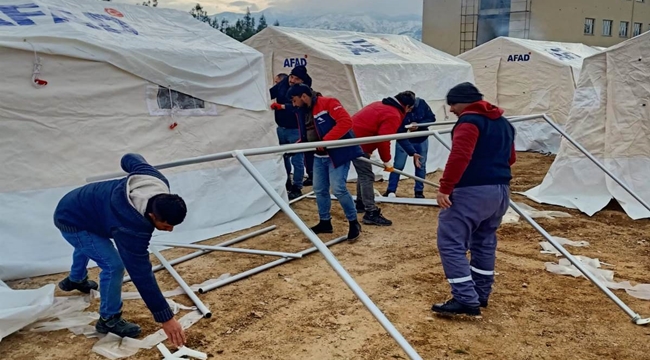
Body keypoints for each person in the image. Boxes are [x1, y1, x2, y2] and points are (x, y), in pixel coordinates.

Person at [53, 153, 188, 346]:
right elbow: (141, 274)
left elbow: (131, 158)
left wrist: (126, 161)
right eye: (166, 226)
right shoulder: (130, 226)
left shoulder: (153, 180)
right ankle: (109, 319)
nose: (170, 230)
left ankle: (75, 279)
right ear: (151, 215)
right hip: (71, 218)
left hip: (82, 206)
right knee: (113, 265)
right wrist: (166, 318)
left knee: (90, 245)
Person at [431, 82, 516, 316]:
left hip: (472, 191)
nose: (451, 110)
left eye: (453, 104)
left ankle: (466, 299)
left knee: (451, 242)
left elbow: (460, 155)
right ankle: (481, 293)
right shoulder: (504, 123)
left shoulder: (469, 122)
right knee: (484, 241)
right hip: (500, 191)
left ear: (464, 102)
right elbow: (511, 158)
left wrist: (445, 187)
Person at [287, 83, 363, 241]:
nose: (294, 104)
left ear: (303, 96)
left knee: (338, 188)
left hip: (338, 153)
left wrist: (326, 141)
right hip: (319, 156)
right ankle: (325, 222)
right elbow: (308, 134)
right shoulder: (302, 111)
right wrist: (295, 147)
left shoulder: (328, 103)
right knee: (319, 189)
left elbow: (346, 122)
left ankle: (354, 222)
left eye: (294, 100)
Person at [350, 91, 419, 226]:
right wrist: (387, 161)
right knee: (367, 176)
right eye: (410, 109)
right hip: (357, 143)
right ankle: (370, 212)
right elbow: (383, 140)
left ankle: (361, 203)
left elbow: (370, 127)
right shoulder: (392, 114)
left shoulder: (380, 105)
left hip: (354, 140)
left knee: (363, 174)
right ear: (406, 106)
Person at [270, 66, 314, 199]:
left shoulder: (304, 89)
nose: (292, 80)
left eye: (296, 78)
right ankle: (286, 180)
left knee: (297, 159)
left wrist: (282, 106)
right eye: (292, 77)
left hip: (296, 128)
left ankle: (297, 186)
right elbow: (269, 94)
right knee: (282, 156)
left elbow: (300, 106)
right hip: (281, 126)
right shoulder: (283, 84)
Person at [384, 96, 436, 198]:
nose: (409, 110)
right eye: (408, 108)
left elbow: (432, 118)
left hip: (421, 139)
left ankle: (419, 192)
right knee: (398, 166)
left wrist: (419, 124)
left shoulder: (421, 103)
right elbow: (397, 127)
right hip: (403, 139)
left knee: (420, 166)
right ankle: (391, 190)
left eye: (412, 108)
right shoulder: (398, 108)